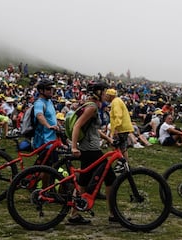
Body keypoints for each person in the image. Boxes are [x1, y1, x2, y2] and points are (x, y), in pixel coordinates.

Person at [67, 81, 116, 225]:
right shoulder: (92, 107)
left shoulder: (91, 105)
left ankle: (74, 215)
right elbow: (77, 125)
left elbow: (93, 129)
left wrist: (108, 138)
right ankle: (113, 213)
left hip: (90, 148)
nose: (106, 93)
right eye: (104, 91)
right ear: (98, 92)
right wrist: (74, 147)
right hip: (91, 150)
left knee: (83, 182)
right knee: (111, 179)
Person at [105, 88, 134, 173]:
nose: (105, 97)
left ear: (110, 96)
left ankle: (121, 163)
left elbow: (118, 116)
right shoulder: (117, 101)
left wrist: (116, 128)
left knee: (116, 145)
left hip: (121, 128)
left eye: (107, 95)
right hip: (123, 128)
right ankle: (125, 164)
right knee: (122, 147)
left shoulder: (115, 102)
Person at [33, 79, 60, 166]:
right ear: (41, 91)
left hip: (51, 141)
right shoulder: (39, 103)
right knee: (42, 169)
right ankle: (20, 179)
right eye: (48, 89)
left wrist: (58, 126)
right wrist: (48, 126)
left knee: (49, 168)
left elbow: (52, 118)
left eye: (52, 89)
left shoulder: (49, 101)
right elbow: (39, 115)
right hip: (44, 141)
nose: (51, 91)